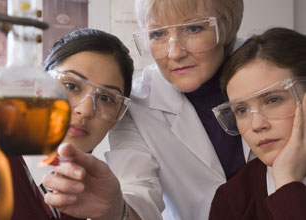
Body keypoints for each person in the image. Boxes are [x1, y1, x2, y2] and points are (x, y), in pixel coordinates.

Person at [0, 28, 133, 220]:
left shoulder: (95, 201)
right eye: (71, 86)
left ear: (118, 116)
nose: (86, 110)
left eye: (106, 98)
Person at [105, 0, 251, 219]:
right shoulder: (134, 106)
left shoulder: (277, 68)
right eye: (157, 34)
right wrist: (112, 207)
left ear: (226, 26)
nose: (174, 53)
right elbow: (136, 194)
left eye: (194, 28)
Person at [209, 27, 306, 220]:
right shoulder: (231, 199)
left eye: (273, 100)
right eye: (241, 110)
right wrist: (287, 182)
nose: (256, 125)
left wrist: (287, 185)